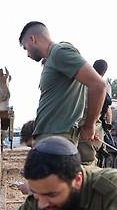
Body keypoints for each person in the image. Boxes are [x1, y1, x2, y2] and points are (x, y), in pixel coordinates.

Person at [18, 21, 106, 164]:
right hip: (52, 137)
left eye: (25, 47)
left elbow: (98, 85)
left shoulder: (59, 52)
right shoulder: (52, 59)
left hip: (58, 138)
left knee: (54, 184)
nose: (27, 54)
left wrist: (90, 125)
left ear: (32, 39)